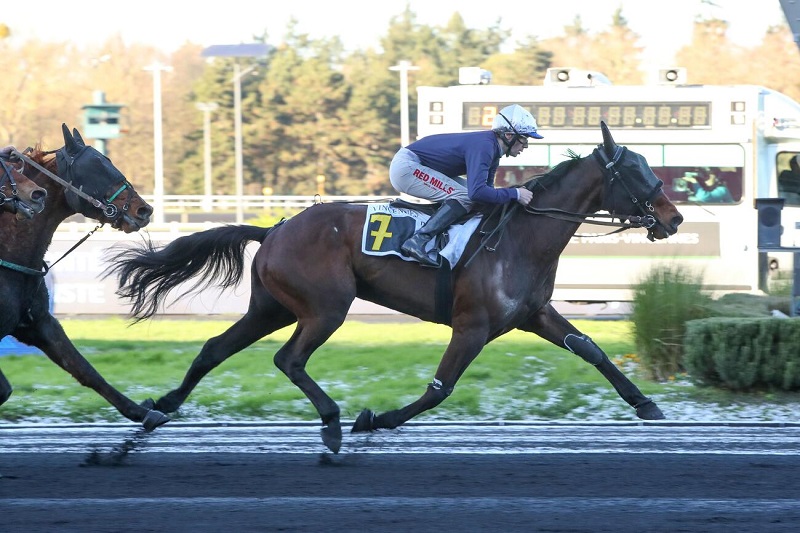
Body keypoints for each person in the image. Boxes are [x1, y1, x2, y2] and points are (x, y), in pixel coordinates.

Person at [389, 104, 542, 266]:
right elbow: (477, 193)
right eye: (524, 138)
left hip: (414, 165)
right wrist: (515, 194)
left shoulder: (493, 151)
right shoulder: (485, 146)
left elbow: (485, 195)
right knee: (465, 196)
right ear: (509, 136)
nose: (526, 145)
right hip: (406, 167)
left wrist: (512, 195)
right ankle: (419, 240)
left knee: (470, 197)